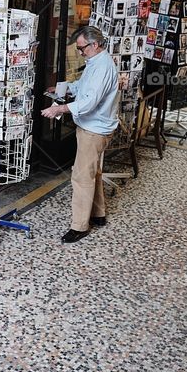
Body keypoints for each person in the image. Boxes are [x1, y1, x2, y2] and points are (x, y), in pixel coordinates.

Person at [41, 26, 124, 243]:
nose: (80, 52)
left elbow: (89, 102)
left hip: (94, 129)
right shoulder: (97, 62)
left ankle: (79, 226)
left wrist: (59, 109)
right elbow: (85, 88)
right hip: (96, 127)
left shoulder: (102, 67)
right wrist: (67, 88)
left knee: (81, 176)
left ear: (94, 45)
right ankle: (98, 214)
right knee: (93, 172)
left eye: (82, 48)